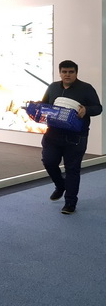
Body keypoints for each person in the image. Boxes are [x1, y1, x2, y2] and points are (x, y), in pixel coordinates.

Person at [41, 60, 102, 214]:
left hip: (76, 137)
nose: (67, 75)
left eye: (71, 72)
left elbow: (98, 108)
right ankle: (60, 185)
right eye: (64, 72)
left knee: (72, 169)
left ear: (76, 73)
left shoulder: (86, 88)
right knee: (48, 162)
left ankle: (70, 203)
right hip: (53, 134)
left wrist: (86, 110)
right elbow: (44, 104)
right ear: (60, 73)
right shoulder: (53, 87)